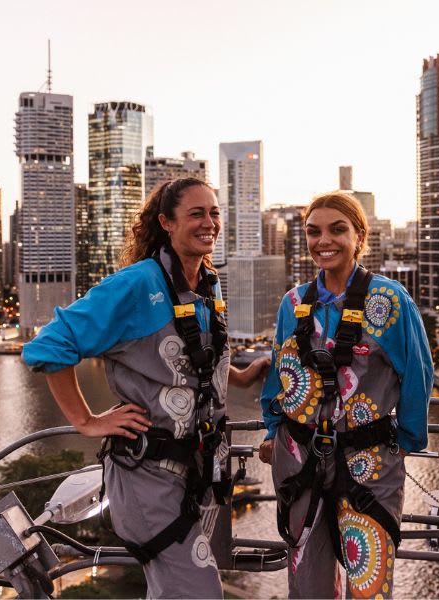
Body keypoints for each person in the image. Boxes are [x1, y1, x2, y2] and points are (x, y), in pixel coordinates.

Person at [23, 177, 268, 599]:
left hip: (200, 472)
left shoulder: (207, 283)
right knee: (199, 594)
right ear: (166, 223)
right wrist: (87, 421)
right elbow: (49, 347)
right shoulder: (139, 285)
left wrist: (243, 377)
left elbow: (194, 363)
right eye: (196, 213)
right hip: (150, 478)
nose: (209, 222)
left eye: (214, 212)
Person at [256, 192, 433, 599]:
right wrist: (272, 430)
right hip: (300, 459)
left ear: (359, 235)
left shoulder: (388, 301)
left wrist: (404, 442)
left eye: (338, 229)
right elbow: (279, 372)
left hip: (368, 461)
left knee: (368, 582)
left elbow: (418, 376)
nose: (324, 241)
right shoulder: (295, 303)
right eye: (313, 232)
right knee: (307, 584)